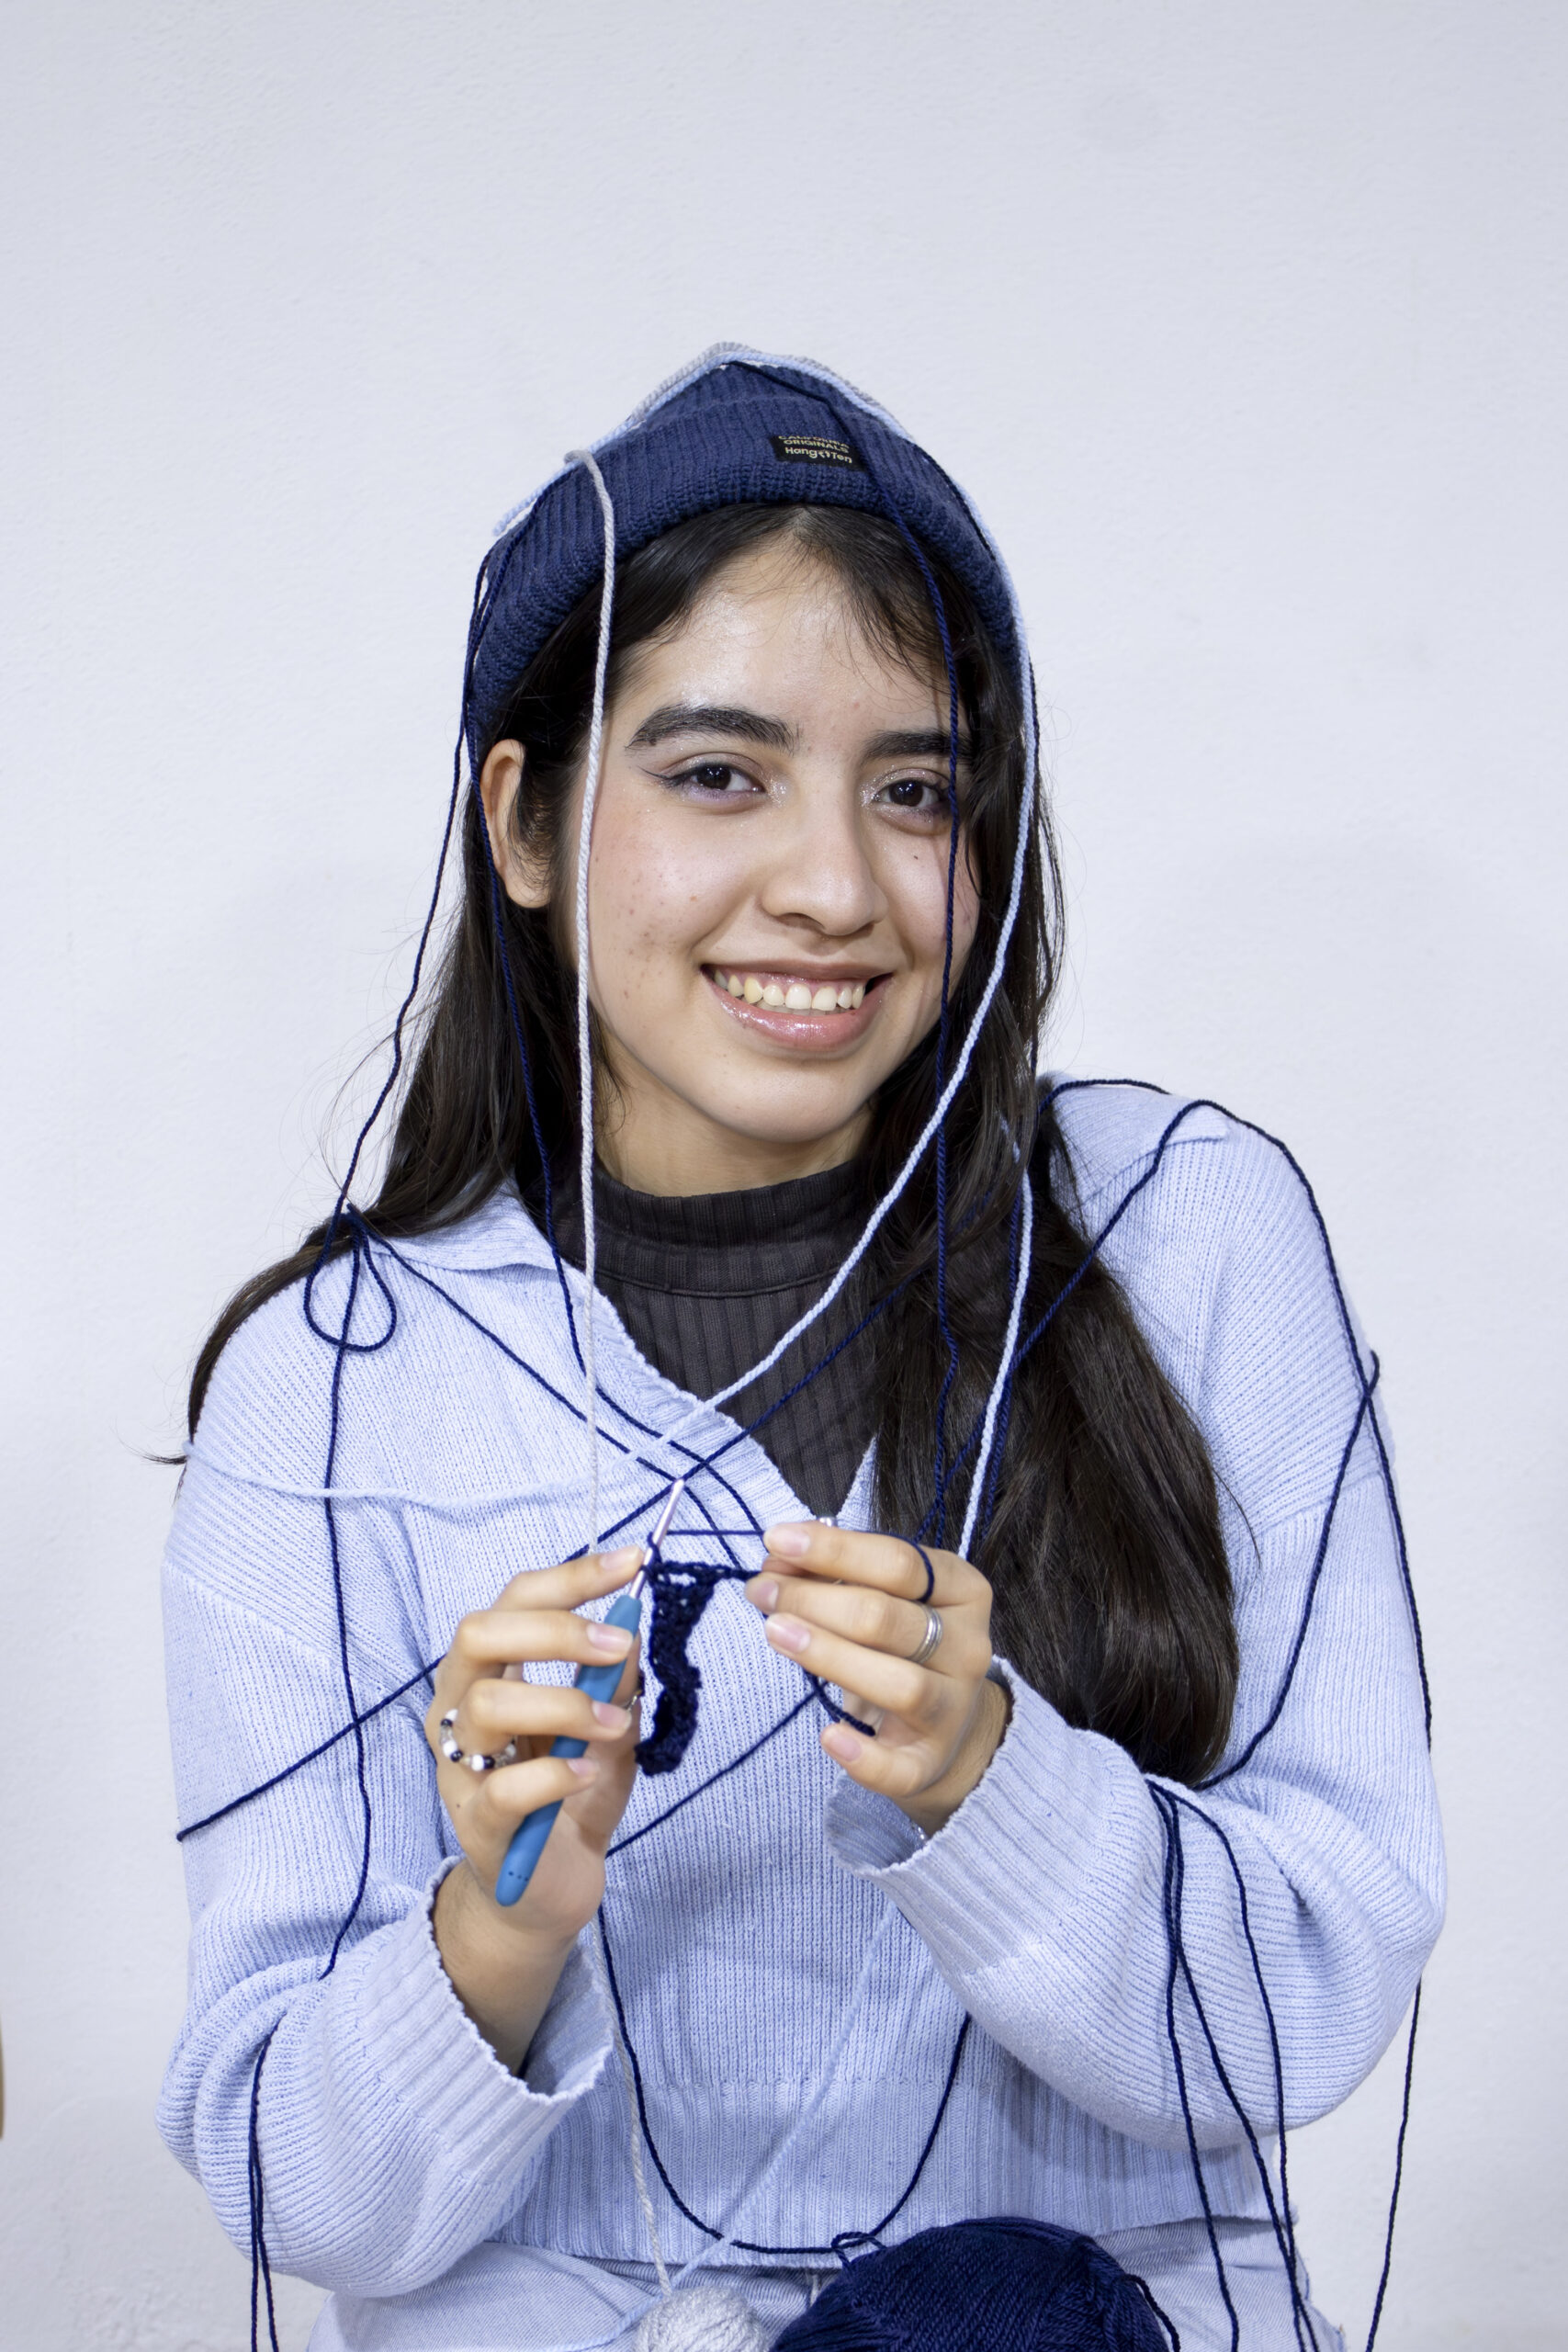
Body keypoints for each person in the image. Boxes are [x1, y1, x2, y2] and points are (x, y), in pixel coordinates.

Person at [158, 349, 1442, 2352]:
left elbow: (1308, 2006)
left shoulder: (1187, 1238)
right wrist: (495, 1926)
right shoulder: (335, 1381)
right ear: (521, 820)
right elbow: (289, 2189)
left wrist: (992, 1779)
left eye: (914, 790)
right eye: (716, 773)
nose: (835, 888)